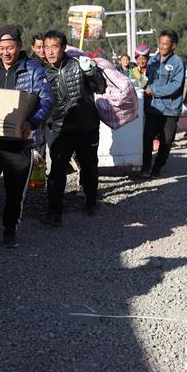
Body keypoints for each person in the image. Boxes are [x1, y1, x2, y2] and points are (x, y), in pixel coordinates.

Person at [0, 25, 53, 247]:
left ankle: (10, 229)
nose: (6, 52)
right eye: (1, 47)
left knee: (15, 192)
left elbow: (46, 100)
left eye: (10, 47)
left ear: (19, 46)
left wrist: (31, 121)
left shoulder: (34, 70)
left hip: (19, 143)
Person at [38, 30, 106, 226]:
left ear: (63, 48)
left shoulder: (79, 65)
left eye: (54, 47)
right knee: (57, 169)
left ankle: (91, 203)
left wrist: (90, 72)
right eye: (46, 47)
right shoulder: (42, 73)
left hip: (87, 126)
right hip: (60, 127)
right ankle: (54, 212)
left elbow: (100, 87)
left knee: (89, 166)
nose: (50, 51)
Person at [140, 30, 185, 178]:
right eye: (161, 43)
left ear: (173, 45)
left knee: (166, 142)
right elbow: (147, 80)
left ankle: (157, 167)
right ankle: (145, 166)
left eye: (166, 44)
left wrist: (153, 90)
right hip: (153, 108)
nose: (162, 46)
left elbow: (176, 85)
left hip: (170, 109)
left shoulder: (178, 63)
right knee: (147, 138)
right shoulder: (152, 60)